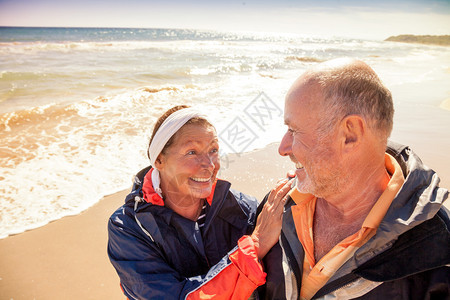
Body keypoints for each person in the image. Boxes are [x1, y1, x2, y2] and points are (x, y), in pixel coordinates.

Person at [259, 58, 450, 299]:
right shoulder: (277, 206)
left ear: (350, 134)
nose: (283, 147)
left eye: (294, 130)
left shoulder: (437, 249)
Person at [108, 105, 291, 299]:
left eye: (213, 150)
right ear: (159, 160)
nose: (210, 165)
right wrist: (255, 245)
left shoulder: (240, 208)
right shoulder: (129, 227)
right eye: (192, 152)